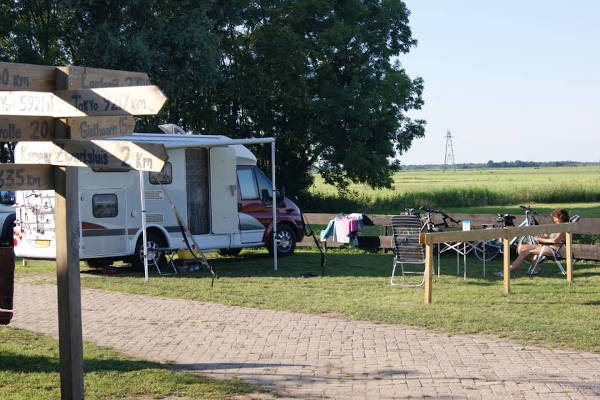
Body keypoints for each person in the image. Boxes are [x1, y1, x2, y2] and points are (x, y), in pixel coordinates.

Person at [494, 208, 569, 277]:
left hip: (551, 248)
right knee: (521, 248)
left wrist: (541, 240)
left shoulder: (563, 227)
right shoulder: (559, 226)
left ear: (561, 217)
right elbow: (550, 238)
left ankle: (505, 272)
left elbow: (555, 240)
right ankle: (536, 268)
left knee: (524, 252)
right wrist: (540, 238)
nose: (554, 220)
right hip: (546, 246)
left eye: (555, 218)